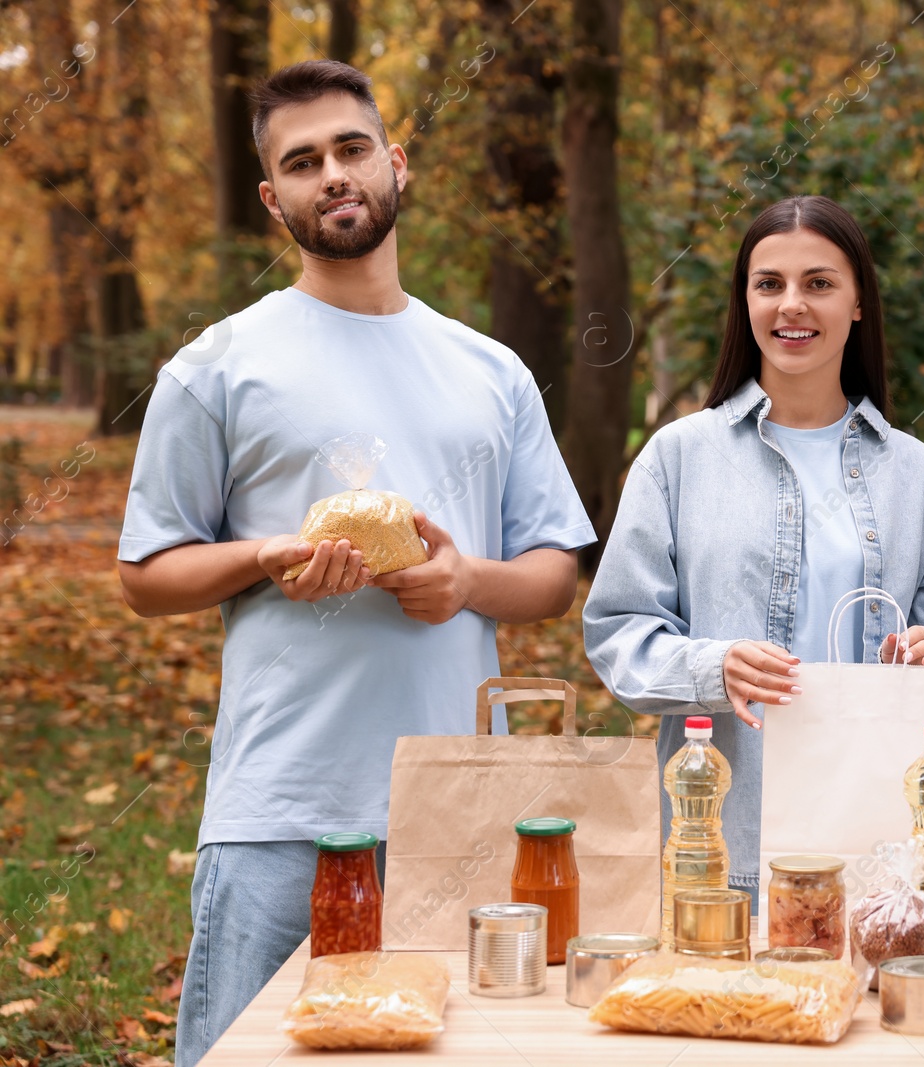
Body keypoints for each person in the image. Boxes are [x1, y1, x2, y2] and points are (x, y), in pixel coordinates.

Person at [116, 61, 594, 1065]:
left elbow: (553, 570)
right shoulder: (217, 366)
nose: (332, 174)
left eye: (350, 148)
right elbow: (147, 574)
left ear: (395, 162)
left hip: (455, 804)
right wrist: (262, 555)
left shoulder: (489, 369)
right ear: (272, 197)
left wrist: (468, 584)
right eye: (302, 162)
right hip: (281, 800)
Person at [584, 194, 924, 908]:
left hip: (880, 852)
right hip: (718, 851)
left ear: (858, 302)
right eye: (769, 284)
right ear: (746, 301)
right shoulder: (677, 459)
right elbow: (618, 633)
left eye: (819, 283)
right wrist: (714, 665)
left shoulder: (923, 476)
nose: (791, 305)